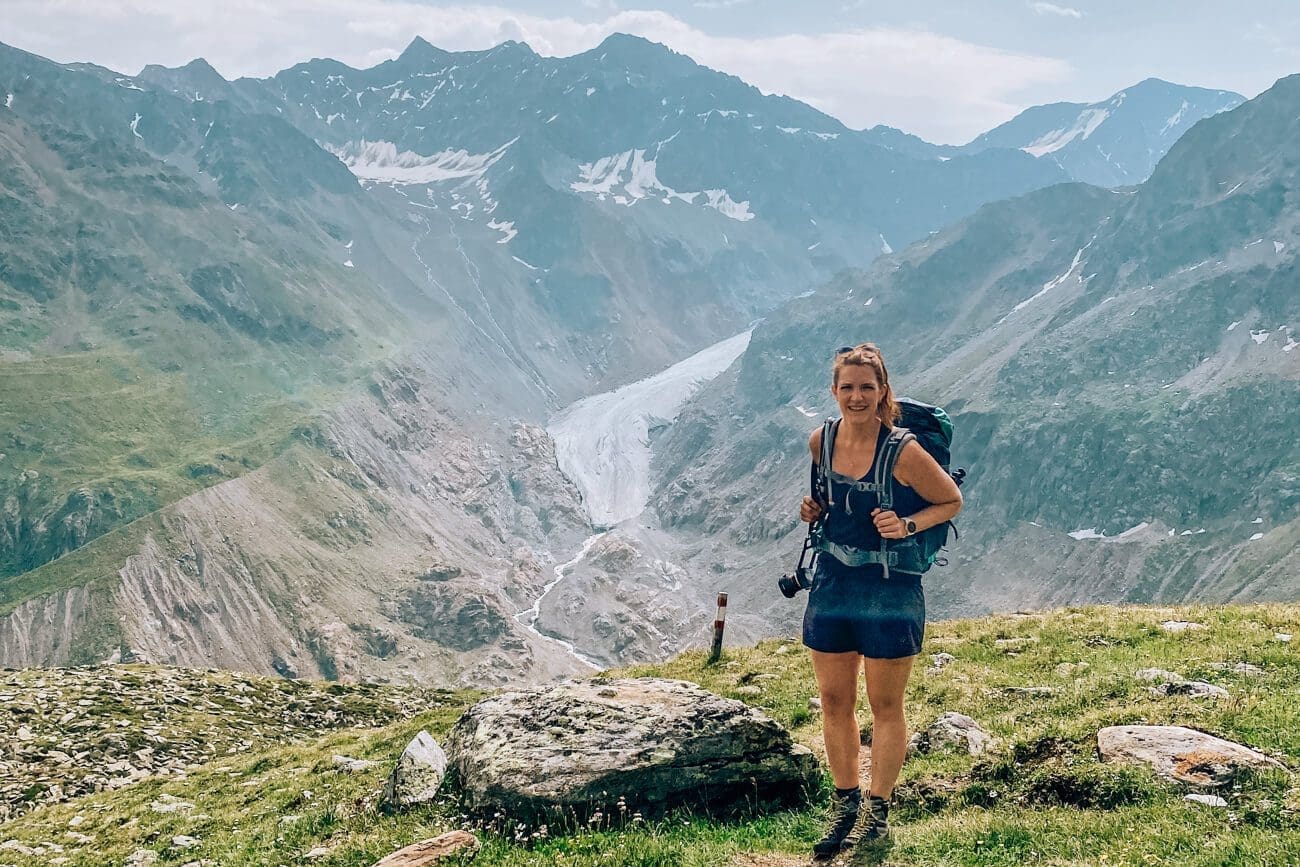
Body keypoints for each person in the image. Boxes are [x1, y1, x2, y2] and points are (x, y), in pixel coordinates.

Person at [798, 343, 963, 857]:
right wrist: (812, 508)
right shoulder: (819, 442)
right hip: (833, 583)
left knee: (885, 705)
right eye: (847, 387)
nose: (856, 396)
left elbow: (951, 500)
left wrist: (908, 523)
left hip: (890, 589)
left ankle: (877, 809)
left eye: (866, 388)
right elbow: (829, 502)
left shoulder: (904, 452)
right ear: (834, 391)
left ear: (883, 392)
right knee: (833, 701)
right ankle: (845, 805)